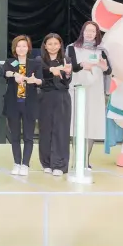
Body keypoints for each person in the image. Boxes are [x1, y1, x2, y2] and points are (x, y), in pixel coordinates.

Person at [67, 20, 110, 168]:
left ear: (97, 34)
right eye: (87, 30)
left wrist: (104, 67)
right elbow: (70, 67)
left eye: (93, 31)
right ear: (82, 32)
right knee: (76, 124)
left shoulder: (102, 50)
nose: (90, 33)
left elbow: (108, 70)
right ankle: (76, 159)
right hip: (77, 90)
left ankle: (85, 160)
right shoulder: (72, 48)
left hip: (95, 91)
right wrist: (81, 66)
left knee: (92, 124)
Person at [3, 34, 42, 175]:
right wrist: (14, 75)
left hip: (29, 104)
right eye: (18, 46)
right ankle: (16, 163)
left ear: (28, 48)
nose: (21, 48)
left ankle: (25, 164)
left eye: (24, 46)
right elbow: (5, 73)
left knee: (28, 136)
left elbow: (41, 80)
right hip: (14, 104)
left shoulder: (35, 63)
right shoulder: (10, 62)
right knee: (14, 136)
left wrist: (35, 81)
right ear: (15, 48)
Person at [38, 32, 72, 176]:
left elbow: (67, 81)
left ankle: (59, 165)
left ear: (60, 45)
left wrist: (66, 74)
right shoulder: (39, 60)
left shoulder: (66, 59)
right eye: (50, 44)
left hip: (62, 97)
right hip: (45, 98)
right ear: (45, 46)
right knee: (45, 130)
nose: (53, 47)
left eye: (56, 44)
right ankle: (46, 163)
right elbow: (40, 74)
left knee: (61, 131)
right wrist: (52, 70)